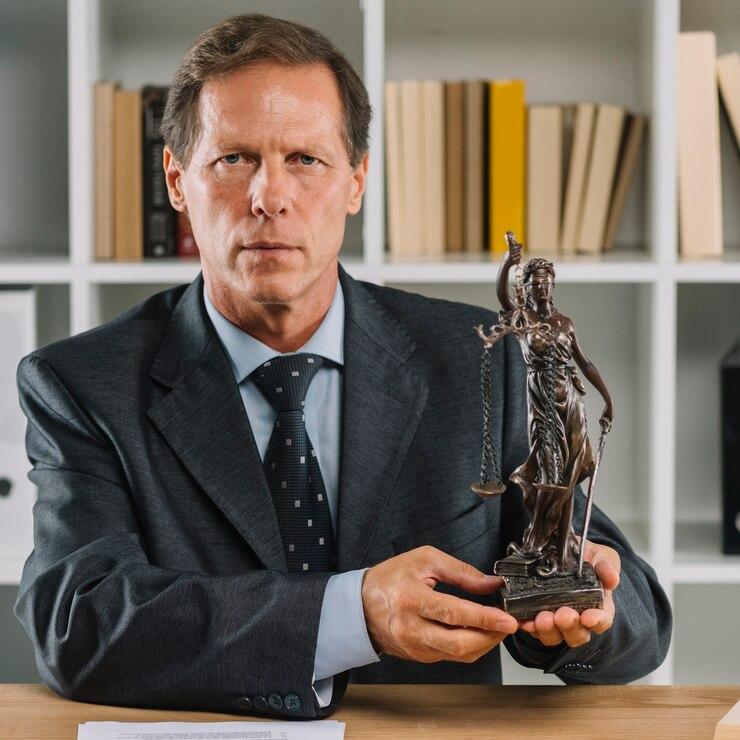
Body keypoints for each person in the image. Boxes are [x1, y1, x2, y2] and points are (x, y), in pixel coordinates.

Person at [13, 12, 671, 722]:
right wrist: (351, 614)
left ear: (356, 181)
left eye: (306, 159)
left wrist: (585, 619)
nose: (270, 197)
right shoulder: (80, 384)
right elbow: (78, 622)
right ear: (177, 180)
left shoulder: (477, 358)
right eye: (233, 160)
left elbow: (638, 616)